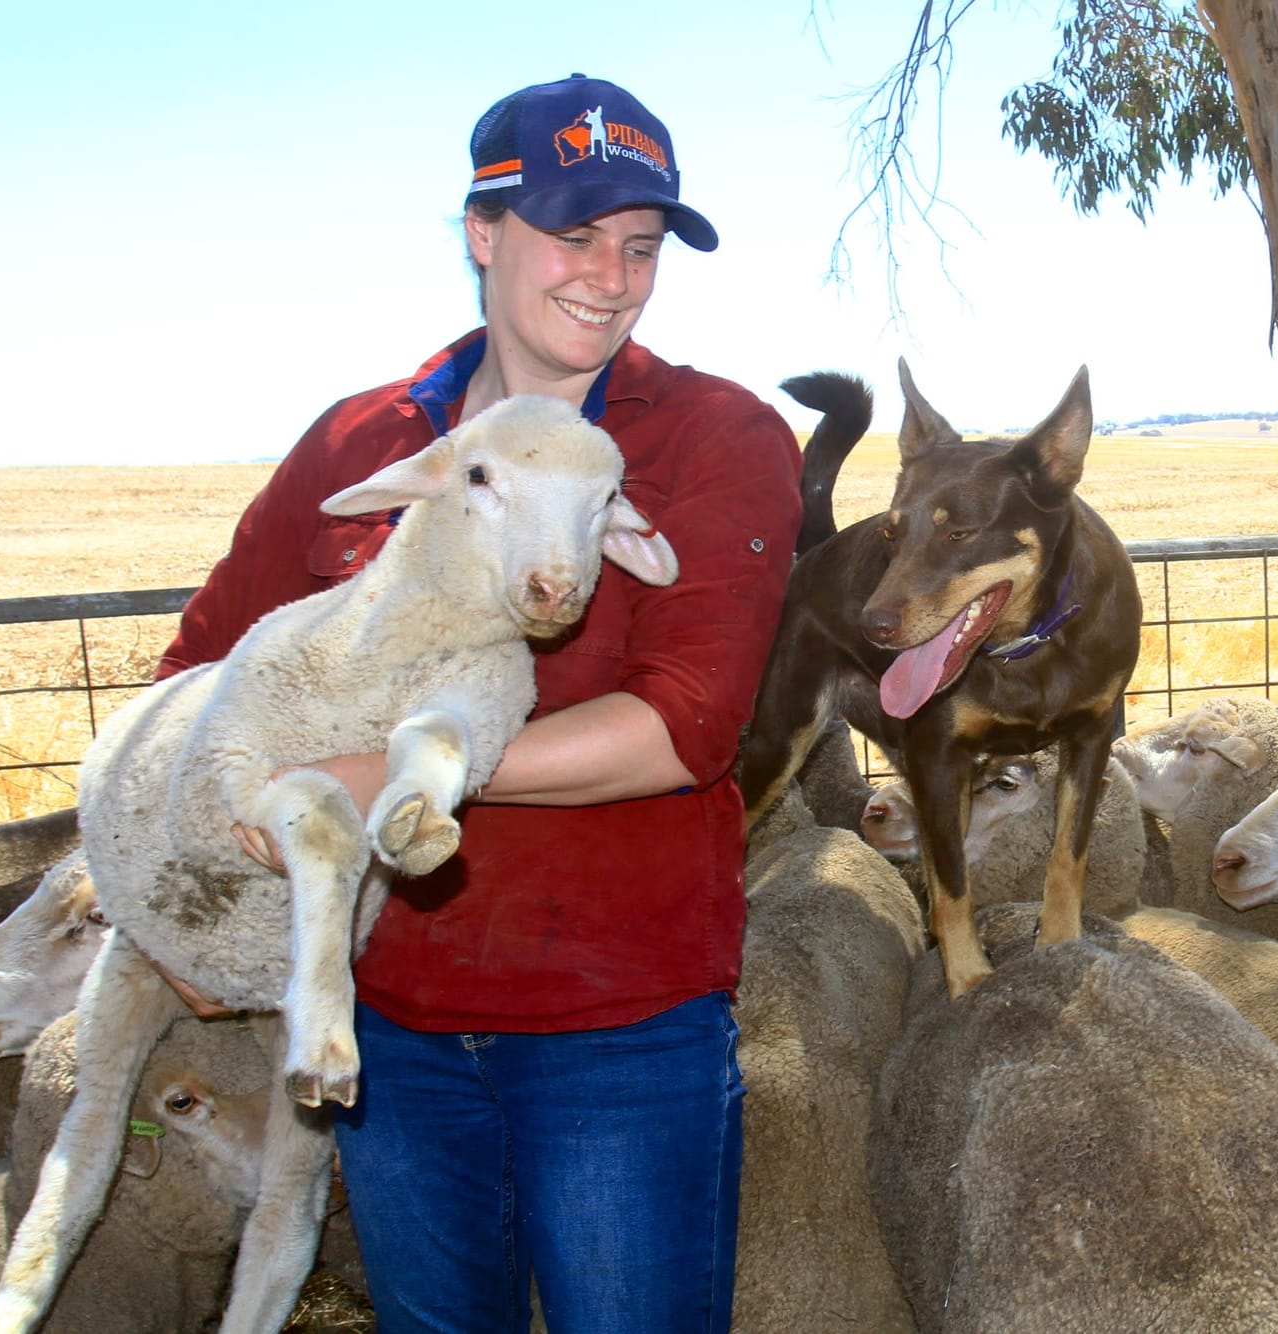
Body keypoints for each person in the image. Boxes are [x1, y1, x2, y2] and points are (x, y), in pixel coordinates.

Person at [154, 73, 802, 1332]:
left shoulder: (713, 438)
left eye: (641, 246)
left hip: (617, 1027)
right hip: (388, 1030)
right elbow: (195, 674)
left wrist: (393, 775)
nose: (609, 278)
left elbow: (683, 725)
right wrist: (177, 903)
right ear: (483, 231)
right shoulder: (363, 446)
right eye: (574, 236)